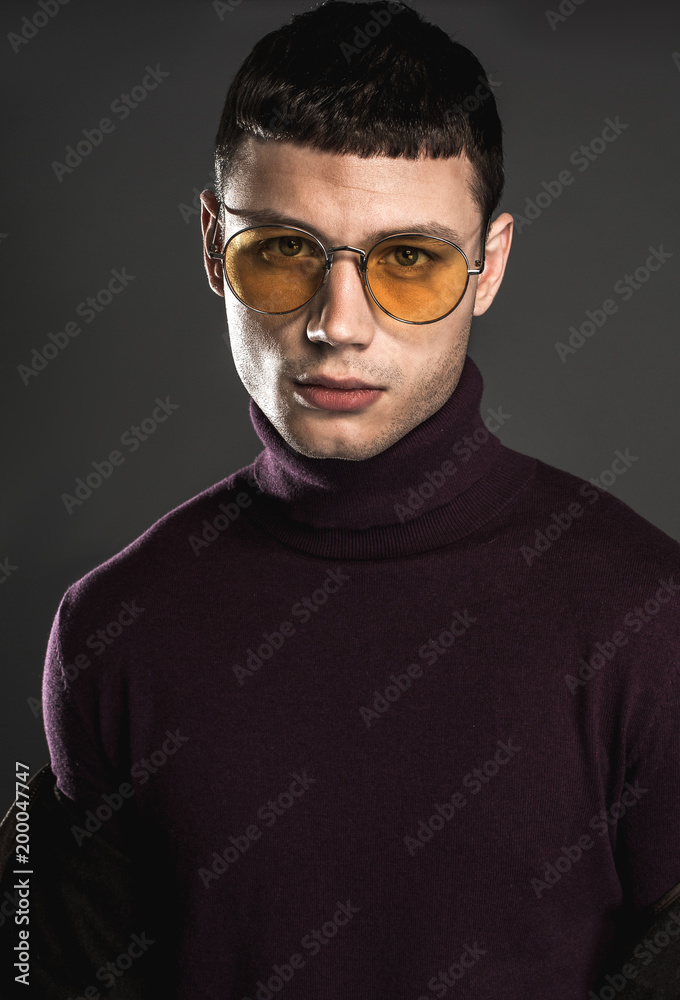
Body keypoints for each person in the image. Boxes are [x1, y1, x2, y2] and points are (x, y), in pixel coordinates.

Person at [37, 1, 680, 997]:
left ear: (488, 265)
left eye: (409, 261)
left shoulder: (651, 615)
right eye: (284, 250)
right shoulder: (109, 628)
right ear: (214, 245)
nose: (338, 324)